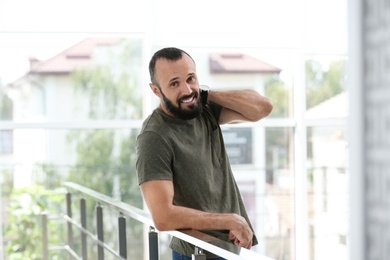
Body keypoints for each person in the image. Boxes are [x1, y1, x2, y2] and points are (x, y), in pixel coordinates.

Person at [136, 47, 273, 260]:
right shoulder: (154, 136)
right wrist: (229, 221)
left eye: (190, 78)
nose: (186, 90)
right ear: (156, 90)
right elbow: (162, 217)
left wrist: (205, 94)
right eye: (174, 83)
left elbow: (262, 108)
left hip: (227, 249)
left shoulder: (203, 110)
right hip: (196, 254)